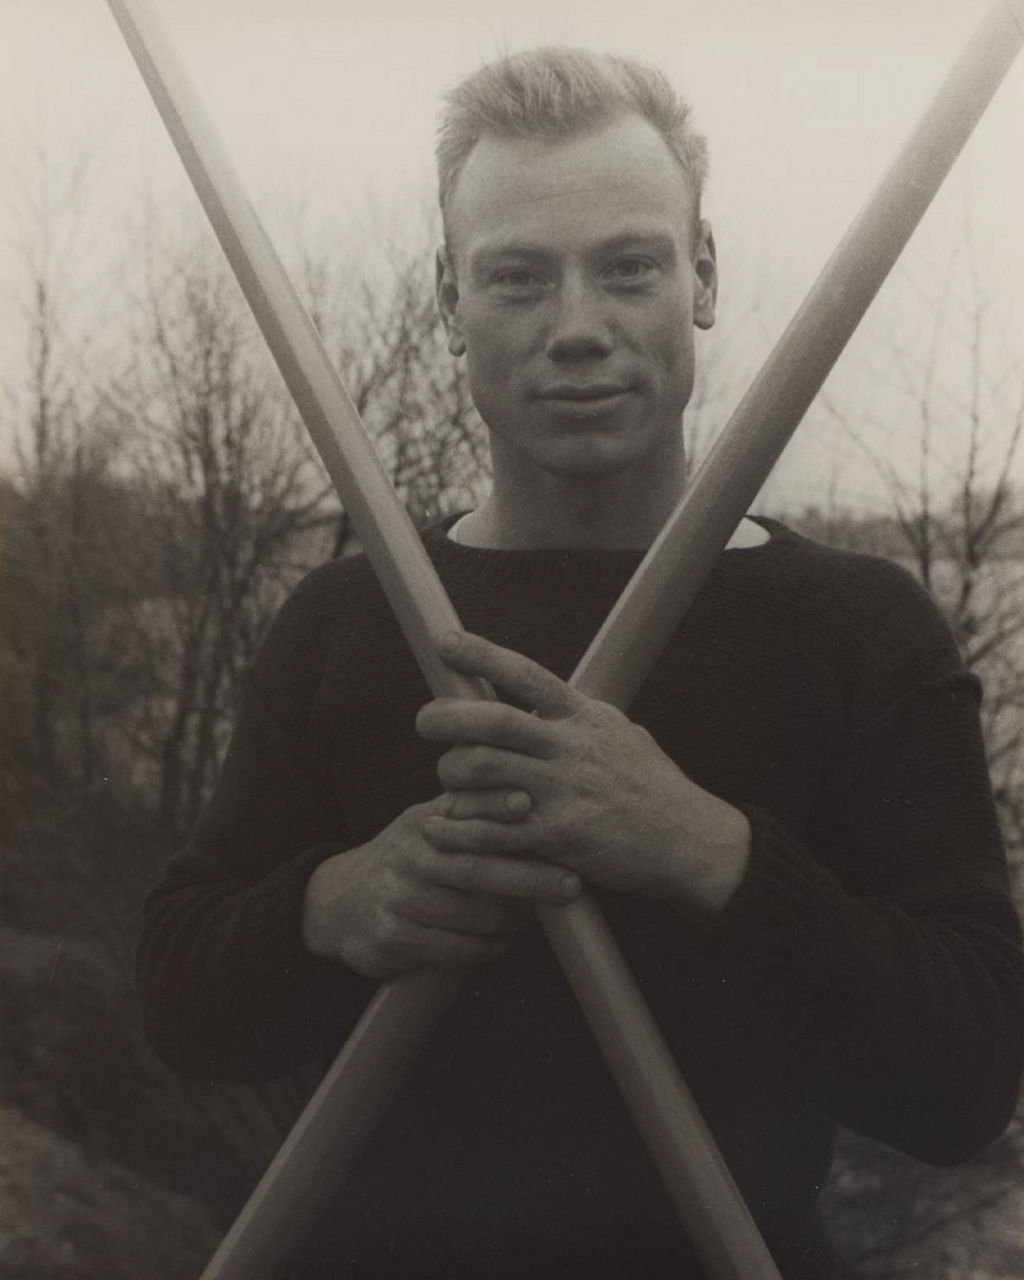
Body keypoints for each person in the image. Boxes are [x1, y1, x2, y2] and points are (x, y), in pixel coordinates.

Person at [137, 48, 1024, 1280]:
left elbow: (968, 1077)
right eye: (515, 277)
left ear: (698, 276)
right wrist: (329, 905)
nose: (577, 330)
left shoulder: (862, 627)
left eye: (628, 266)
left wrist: (708, 852)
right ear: (447, 302)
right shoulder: (344, 622)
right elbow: (180, 997)